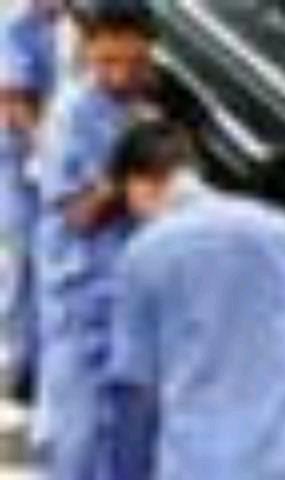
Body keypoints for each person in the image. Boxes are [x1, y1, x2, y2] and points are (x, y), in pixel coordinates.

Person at [104, 119, 285, 480]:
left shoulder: (143, 253)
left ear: (140, 184)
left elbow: (135, 389)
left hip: (203, 462)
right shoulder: (277, 227)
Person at [32, 3, 159, 479]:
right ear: (88, 50)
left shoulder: (148, 104)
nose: (121, 76)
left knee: (131, 440)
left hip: (136, 293)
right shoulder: (71, 114)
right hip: (83, 296)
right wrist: (127, 169)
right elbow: (79, 215)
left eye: (135, 63)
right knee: (80, 438)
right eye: (108, 62)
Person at [0, 30, 43, 403]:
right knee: (22, 264)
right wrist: (48, 146)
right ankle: (20, 367)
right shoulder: (17, 28)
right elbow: (13, 100)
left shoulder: (63, 26)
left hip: (37, 168)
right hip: (20, 168)